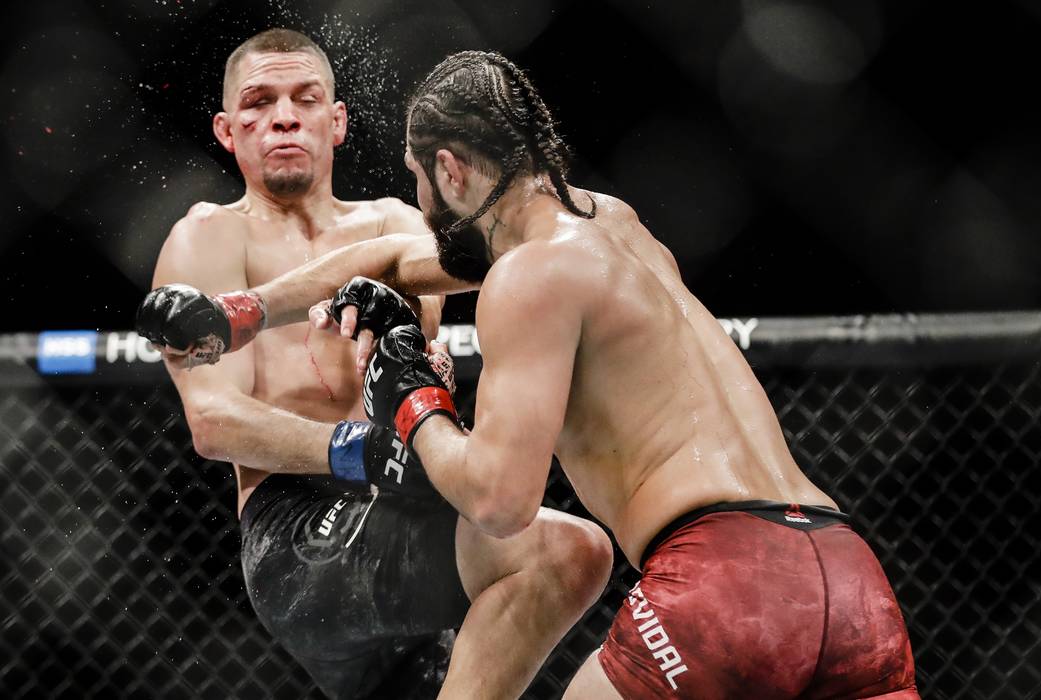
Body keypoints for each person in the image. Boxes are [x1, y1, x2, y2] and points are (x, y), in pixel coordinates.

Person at [146, 50, 919, 698]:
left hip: (722, 582)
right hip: (848, 577)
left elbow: (500, 499)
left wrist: (413, 402)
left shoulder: (527, 278)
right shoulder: (612, 221)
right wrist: (241, 313)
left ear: (448, 170)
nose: (418, 201)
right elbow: (385, 260)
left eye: (420, 179)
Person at [136, 33, 612, 700]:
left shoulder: (392, 223)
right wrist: (361, 449)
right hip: (294, 531)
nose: (283, 117)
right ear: (226, 129)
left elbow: (426, 332)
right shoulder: (209, 235)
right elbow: (214, 421)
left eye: (305, 100)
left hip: (405, 502)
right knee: (562, 552)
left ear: (337, 123)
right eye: (259, 102)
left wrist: (406, 342)